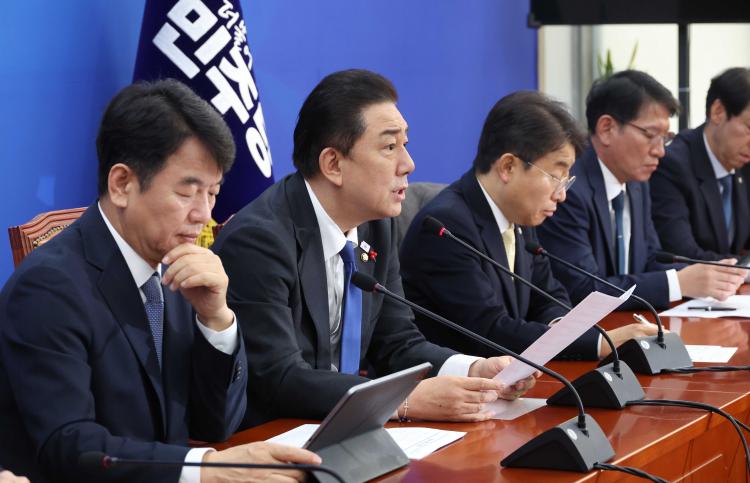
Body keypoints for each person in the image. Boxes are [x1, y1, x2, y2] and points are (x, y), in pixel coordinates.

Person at [0, 79, 319, 483]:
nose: (203, 215)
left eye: (212, 193)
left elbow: (216, 425)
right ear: (122, 184)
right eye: (187, 193)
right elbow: (70, 447)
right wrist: (205, 470)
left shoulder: (175, 268)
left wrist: (217, 320)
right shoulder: (48, 288)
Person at [212, 69, 537, 428]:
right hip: (274, 436)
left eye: (405, 144)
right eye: (389, 147)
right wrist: (403, 399)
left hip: (349, 428)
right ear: (333, 164)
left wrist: (474, 369)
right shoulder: (260, 240)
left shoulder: (376, 225)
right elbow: (280, 378)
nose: (408, 164)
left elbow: (397, 343)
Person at [400, 91, 658, 359]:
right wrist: (598, 343)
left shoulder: (519, 214)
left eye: (566, 181)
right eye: (555, 177)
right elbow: (490, 332)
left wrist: (560, 327)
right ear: (508, 167)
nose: (561, 195)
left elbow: (549, 295)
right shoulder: (446, 228)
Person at [537, 70, 746, 309]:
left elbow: (650, 259)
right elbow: (583, 289)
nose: (661, 151)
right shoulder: (570, 188)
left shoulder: (637, 182)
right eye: (651, 135)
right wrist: (677, 283)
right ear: (606, 129)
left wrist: (706, 275)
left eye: (665, 138)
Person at [651, 67, 750, 260]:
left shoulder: (744, 162)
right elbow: (684, 255)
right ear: (718, 112)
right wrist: (743, 268)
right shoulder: (672, 165)